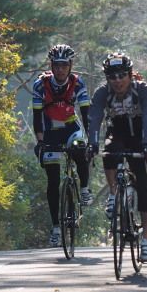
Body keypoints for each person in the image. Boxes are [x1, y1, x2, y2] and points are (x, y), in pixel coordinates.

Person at [87, 51, 147, 263]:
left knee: (144, 186)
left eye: (121, 75)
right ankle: (114, 193)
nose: (117, 80)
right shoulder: (102, 93)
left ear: (130, 74)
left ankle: (146, 240)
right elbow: (95, 119)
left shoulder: (144, 91)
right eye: (112, 76)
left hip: (143, 134)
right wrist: (92, 144)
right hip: (118, 131)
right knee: (108, 153)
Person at [32, 44, 93, 247]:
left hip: (70, 128)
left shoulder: (78, 83)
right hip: (49, 131)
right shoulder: (40, 85)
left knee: (80, 149)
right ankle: (56, 228)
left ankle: (84, 188)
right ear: (51, 65)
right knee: (52, 180)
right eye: (56, 65)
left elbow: (86, 114)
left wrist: (91, 140)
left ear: (70, 66)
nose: (60, 69)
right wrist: (40, 142)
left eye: (64, 65)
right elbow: (37, 116)